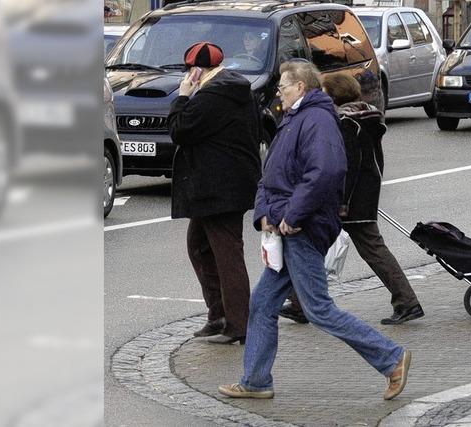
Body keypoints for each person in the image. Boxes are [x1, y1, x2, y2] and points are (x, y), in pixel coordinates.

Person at [218, 60, 411, 400]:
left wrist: (293, 215)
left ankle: (392, 358)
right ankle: (256, 381)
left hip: (301, 230)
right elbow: (270, 174)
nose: (279, 90)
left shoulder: (318, 119)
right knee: (262, 305)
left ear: (301, 88)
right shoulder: (293, 118)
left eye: (284, 85)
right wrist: (263, 212)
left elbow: (327, 172)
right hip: (284, 228)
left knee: (319, 309)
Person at [279, 74, 425, 326]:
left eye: (324, 91)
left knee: (331, 246)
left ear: (333, 95)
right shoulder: (366, 116)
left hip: (349, 201)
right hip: (363, 195)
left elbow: (349, 165)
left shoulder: (346, 122)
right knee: (319, 246)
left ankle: (406, 301)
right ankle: (301, 303)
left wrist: (343, 202)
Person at [167, 42, 261, 344]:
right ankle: (219, 314)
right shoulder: (236, 88)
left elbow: (179, 129)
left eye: (189, 71)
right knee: (200, 246)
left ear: (196, 70)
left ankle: (237, 324)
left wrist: (182, 96)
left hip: (217, 188)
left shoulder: (212, 95)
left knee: (227, 254)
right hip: (223, 184)